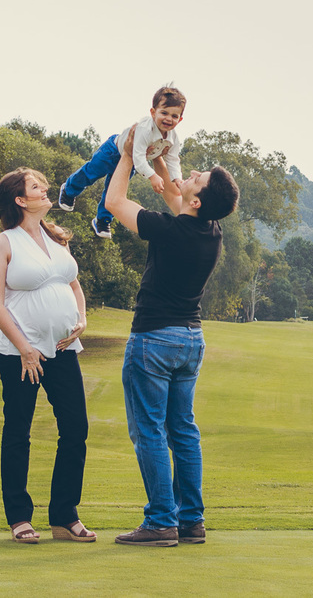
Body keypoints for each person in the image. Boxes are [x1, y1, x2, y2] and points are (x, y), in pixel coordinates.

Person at [105, 124, 240, 547]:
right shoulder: (210, 231)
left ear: (197, 199)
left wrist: (129, 155)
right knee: (183, 430)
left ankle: (161, 522)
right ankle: (191, 522)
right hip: (190, 340)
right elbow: (175, 195)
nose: (191, 174)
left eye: (196, 178)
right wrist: (158, 156)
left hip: (154, 341)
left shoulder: (167, 229)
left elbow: (113, 202)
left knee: (149, 431)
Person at [0, 167, 95, 544]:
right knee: (18, 431)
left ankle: (65, 516)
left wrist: (81, 317)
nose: (45, 190)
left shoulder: (56, 236)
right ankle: (19, 517)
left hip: (63, 350)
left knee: (76, 430)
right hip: (21, 355)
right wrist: (25, 349)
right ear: (20, 199)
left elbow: (73, 284)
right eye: (36, 186)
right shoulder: (2, 243)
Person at [57, 85, 187, 239]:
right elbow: (138, 157)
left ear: (180, 119)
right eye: (164, 113)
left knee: (115, 188)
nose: (168, 119)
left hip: (129, 162)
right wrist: (152, 176)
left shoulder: (173, 138)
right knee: (91, 172)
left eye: (174, 116)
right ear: (153, 113)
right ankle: (69, 189)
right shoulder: (145, 129)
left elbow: (172, 159)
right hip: (113, 151)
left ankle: (102, 220)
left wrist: (176, 178)